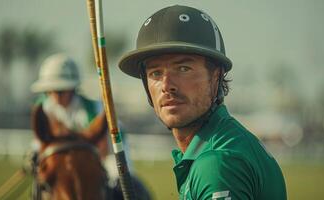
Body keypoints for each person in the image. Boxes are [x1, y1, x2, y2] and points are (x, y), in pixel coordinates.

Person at [119, 5, 287, 200]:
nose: (167, 85)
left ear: (215, 78)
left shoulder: (217, 163)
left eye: (183, 68)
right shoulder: (223, 143)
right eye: (155, 73)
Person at [31, 53, 151, 200]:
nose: (55, 96)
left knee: (120, 182)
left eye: (61, 91)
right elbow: (41, 143)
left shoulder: (92, 110)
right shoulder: (44, 107)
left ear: (73, 88)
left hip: (110, 147)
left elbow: (100, 147)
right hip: (79, 151)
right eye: (50, 91)